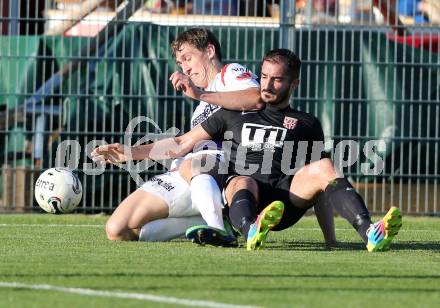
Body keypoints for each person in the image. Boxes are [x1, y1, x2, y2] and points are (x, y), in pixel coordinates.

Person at [92, 48, 401, 252]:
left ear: (294, 84)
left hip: (285, 199)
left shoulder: (306, 122)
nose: (268, 84)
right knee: (242, 178)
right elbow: (183, 143)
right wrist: (131, 152)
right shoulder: (233, 112)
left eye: (277, 79)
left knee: (324, 166)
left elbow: (323, 186)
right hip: (246, 197)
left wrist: (330, 239)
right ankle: (249, 230)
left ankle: (370, 232)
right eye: (264, 76)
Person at [96, 27, 262, 242]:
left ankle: (217, 229)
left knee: (193, 164)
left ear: (209, 51)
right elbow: (182, 143)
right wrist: (130, 153)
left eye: (188, 58)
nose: (185, 67)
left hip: (219, 169)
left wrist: (201, 93)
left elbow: (255, 97)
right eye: (180, 63)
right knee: (116, 229)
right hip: (185, 175)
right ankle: (216, 219)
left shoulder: (229, 73)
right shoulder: (202, 105)